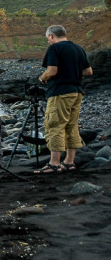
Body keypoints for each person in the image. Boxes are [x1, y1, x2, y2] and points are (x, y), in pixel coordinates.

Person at [36, 25, 93, 173]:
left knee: (54, 125)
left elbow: (51, 71)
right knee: (71, 126)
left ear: (51, 36)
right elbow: (88, 71)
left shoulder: (54, 48)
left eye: (48, 38)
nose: (48, 41)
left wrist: (42, 79)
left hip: (60, 92)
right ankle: (69, 162)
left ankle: (54, 163)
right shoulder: (78, 48)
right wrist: (71, 72)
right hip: (76, 92)